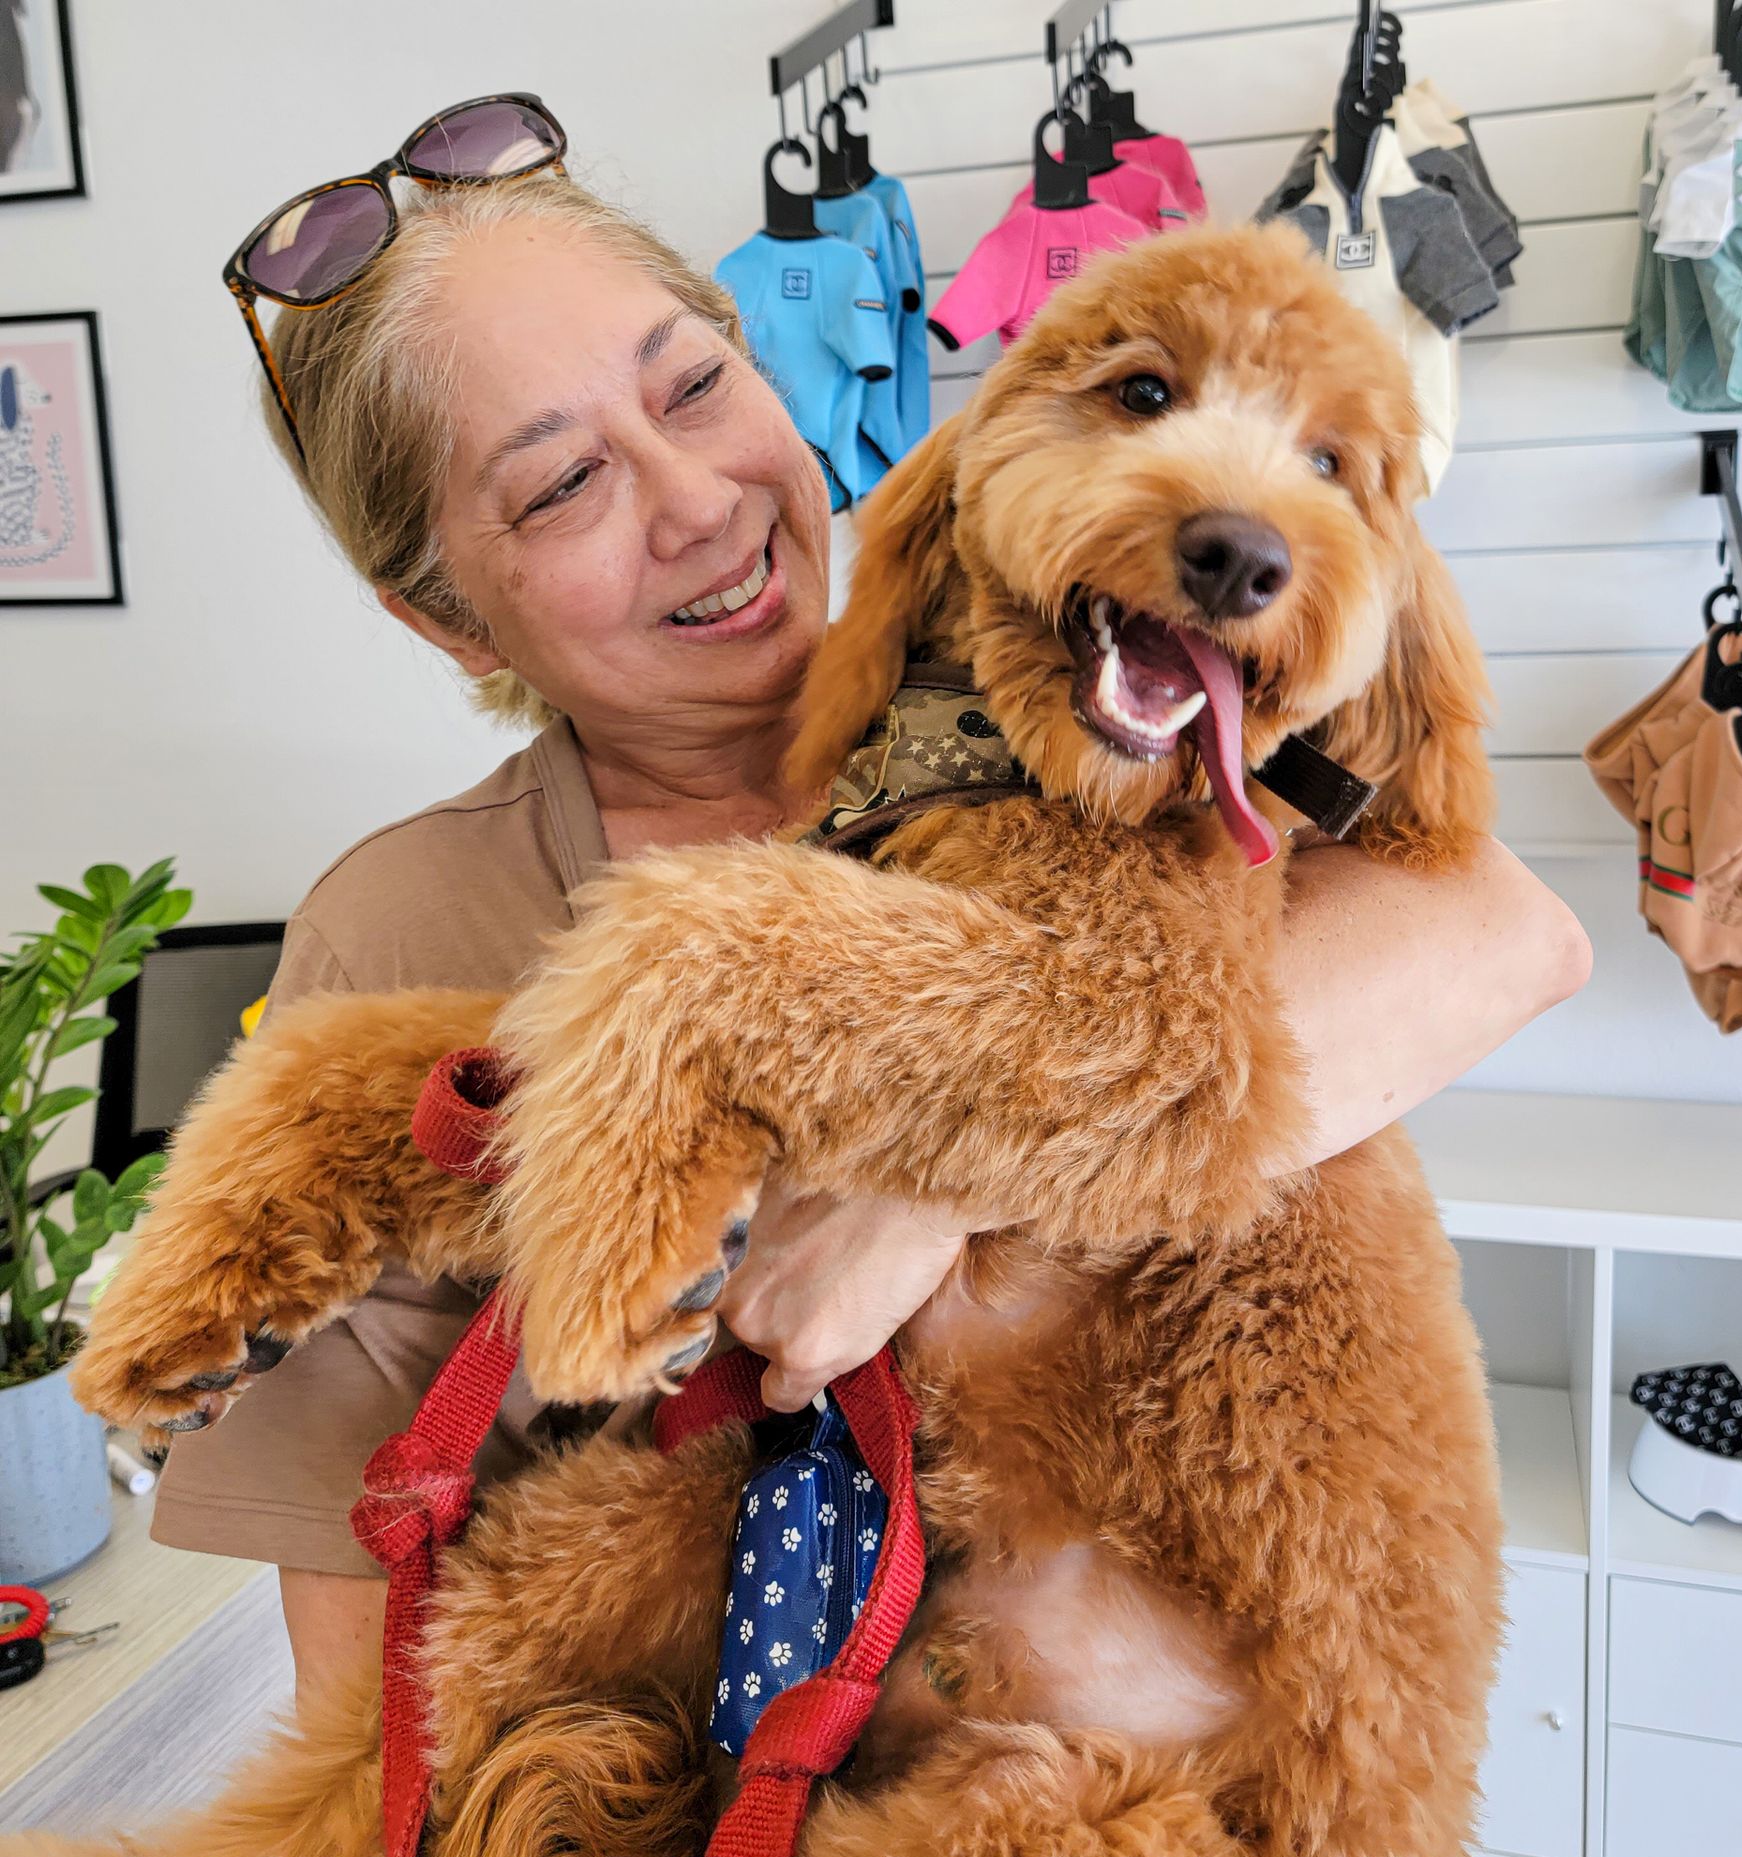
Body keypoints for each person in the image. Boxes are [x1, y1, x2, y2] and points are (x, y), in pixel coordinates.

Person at [154, 154, 1591, 1715]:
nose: (698, 502)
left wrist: (938, 1190)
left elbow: (1502, 930)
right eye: (563, 484)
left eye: (697, 386)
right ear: (441, 612)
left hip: (1169, 1733)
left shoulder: (1069, 701)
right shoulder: (399, 925)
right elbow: (370, 1693)